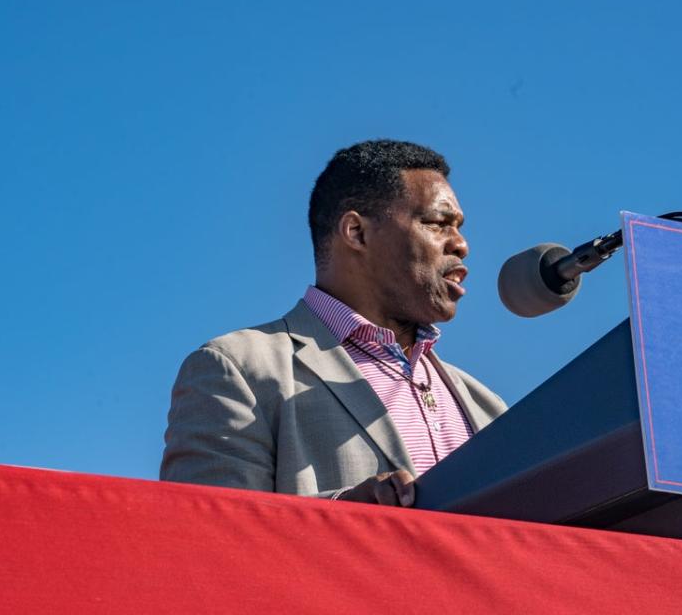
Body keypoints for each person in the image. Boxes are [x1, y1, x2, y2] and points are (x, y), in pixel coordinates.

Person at [160, 140, 506, 507]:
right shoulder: (238, 368)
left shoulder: (489, 408)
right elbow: (206, 537)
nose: (461, 245)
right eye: (438, 223)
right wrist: (346, 516)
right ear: (356, 232)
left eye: (460, 228)